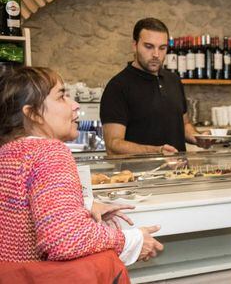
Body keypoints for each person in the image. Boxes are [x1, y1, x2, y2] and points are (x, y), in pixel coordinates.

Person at [0, 67, 163, 265]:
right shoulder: (48, 152)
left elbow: (21, 210)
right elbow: (65, 239)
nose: (75, 105)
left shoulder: (8, 153)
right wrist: (132, 240)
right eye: (61, 97)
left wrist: (83, 206)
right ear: (32, 113)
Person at [100, 18, 208, 155]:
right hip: (139, 175)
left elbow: (184, 124)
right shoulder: (118, 86)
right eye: (149, 47)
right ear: (135, 45)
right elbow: (113, 145)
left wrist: (197, 137)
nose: (156, 54)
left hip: (180, 173)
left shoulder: (173, 80)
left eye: (162, 48)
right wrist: (157, 151)